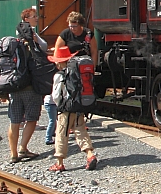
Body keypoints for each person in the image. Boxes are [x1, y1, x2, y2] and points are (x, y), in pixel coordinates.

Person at [48, 42, 97, 172]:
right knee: (81, 130)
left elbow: (56, 95)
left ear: (59, 62)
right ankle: (90, 155)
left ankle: (59, 162)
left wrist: (59, 105)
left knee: (62, 133)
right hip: (78, 105)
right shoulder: (76, 72)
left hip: (66, 108)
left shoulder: (59, 75)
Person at [6, 10, 47, 164]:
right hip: (30, 86)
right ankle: (23, 148)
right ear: (26, 19)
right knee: (31, 119)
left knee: (14, 121)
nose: (37, 18)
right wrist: (35, 38)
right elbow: (43, 47)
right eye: (34, 17)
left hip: (14, 85)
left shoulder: (13, 40)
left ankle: (13, 153)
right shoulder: (32, 37)